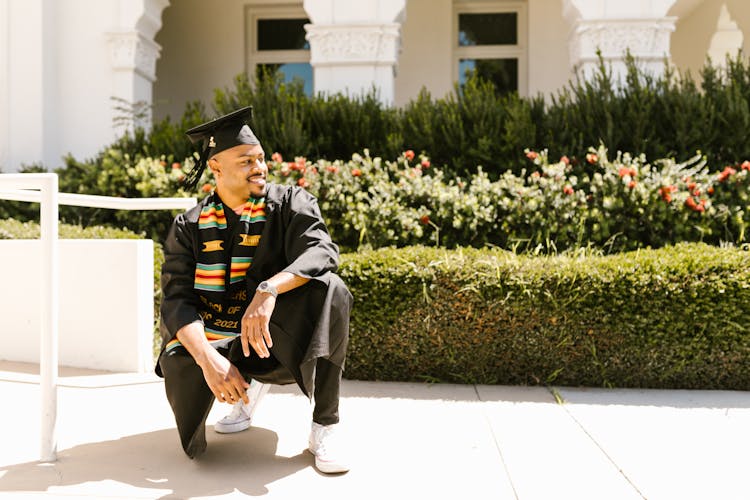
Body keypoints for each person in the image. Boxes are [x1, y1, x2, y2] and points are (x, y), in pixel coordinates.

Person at [155, 106, 352, 474]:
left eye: (261, 158)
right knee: (185, 351)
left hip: (273, 339)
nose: (259, 167)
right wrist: (207, 359)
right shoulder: (189, 225)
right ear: (216, 168)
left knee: (331, 290)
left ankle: (325, 424)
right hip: (220, 338)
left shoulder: (290, 202)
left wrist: (268, 290)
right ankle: (241, 382)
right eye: (246, 161)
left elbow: (321, 251)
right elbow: (176, 299)